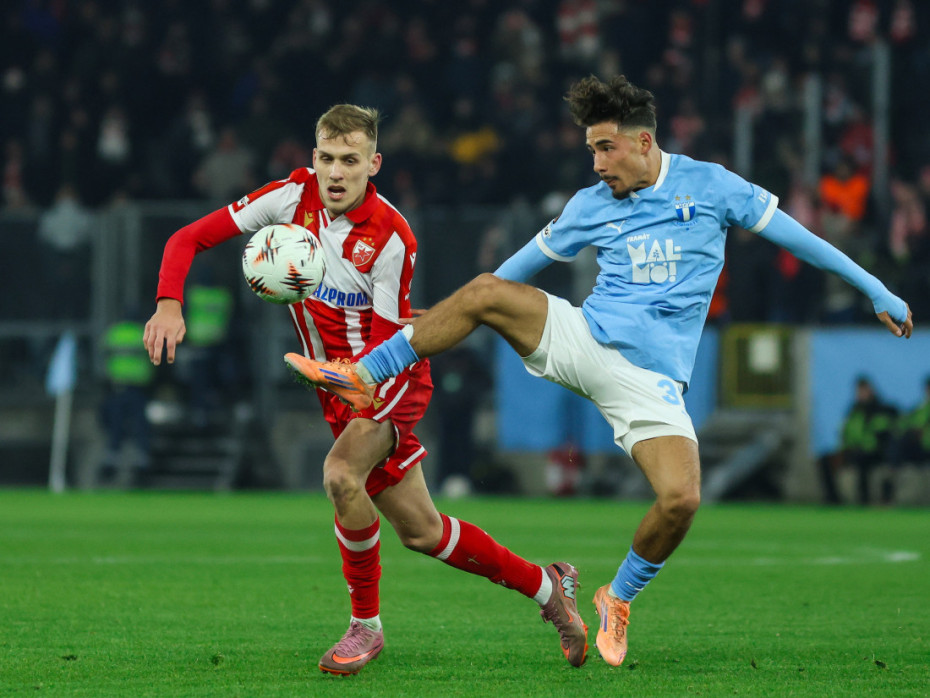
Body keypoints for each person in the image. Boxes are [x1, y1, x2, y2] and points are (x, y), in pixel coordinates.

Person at [287, 77, 914, 667]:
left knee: (681, 499)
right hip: (584, 339)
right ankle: (368, 372)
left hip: (651, 381)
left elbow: (799, 237)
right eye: (591, 149)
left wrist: (875, 289)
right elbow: (513, 270)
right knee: (483, 290)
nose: (596, 163)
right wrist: (459, 310)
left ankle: (618, 595)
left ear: (644, 142)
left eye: (605, 148)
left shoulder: (712, 186)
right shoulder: (591, 204)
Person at [143, 104, 587, 675]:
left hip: (387, 382)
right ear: (313, 159)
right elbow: (186, 239)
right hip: (337, 388)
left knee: (339, 474)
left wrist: (340, 376)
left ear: (373, 164)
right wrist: (168, 303)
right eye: (327, 158)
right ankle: (550, 587)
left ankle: (365, 627)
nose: (335, 172)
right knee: (424, 532)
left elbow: (384, 352)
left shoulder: (391, 236)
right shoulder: (289, 199)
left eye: (350, 160)